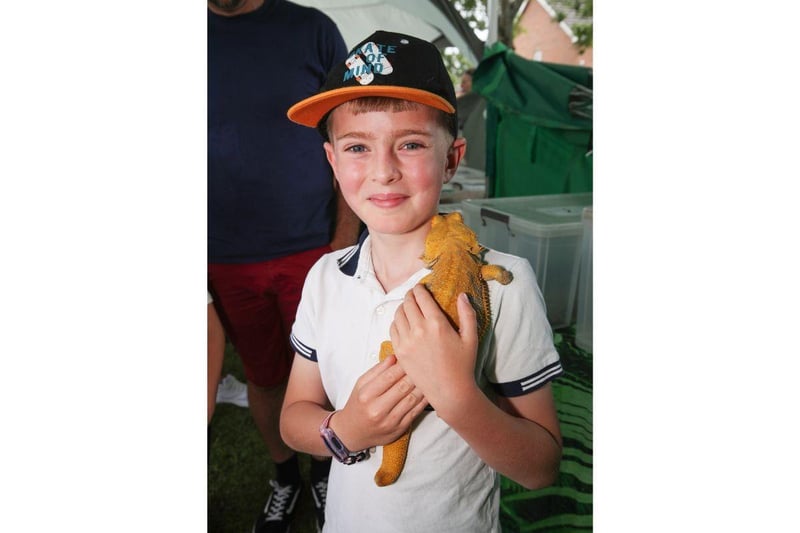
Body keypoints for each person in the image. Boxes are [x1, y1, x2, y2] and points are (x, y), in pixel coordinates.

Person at [281, 31, 564, 532]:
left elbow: (540, 467)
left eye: (410, 144)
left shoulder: (504, 284)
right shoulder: (325, 278)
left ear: (452, 158)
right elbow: (293, 418)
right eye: (357, 147)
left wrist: (457, 397)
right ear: (332, 161)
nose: (383, 171)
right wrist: (343, 431)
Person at [207, 1, 361, 532]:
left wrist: (342, 243)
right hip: (223, 257)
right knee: (265, 376)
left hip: (312, 249)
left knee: (324, 371)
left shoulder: (312, 30)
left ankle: (324, 472)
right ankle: (285, 477)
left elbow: (350, 132)